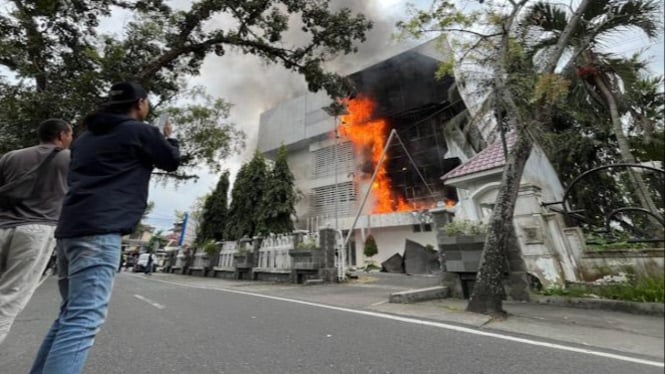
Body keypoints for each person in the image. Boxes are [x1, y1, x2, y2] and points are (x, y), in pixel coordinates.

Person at [30, 81, 180, 374]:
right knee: (83, 319)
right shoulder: (141, 131)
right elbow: (171, 161)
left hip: (69, 229)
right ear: (140, 104)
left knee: (69, 316)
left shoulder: (84, 138)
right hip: (99, 231)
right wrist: (169, 138)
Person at [0, 119, 73, 345]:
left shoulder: (11, 157)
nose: (71, 140)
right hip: (37, 230)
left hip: (2, 226)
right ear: (61, 135)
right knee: (9, 298)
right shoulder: (68, 159)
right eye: (70, 135)